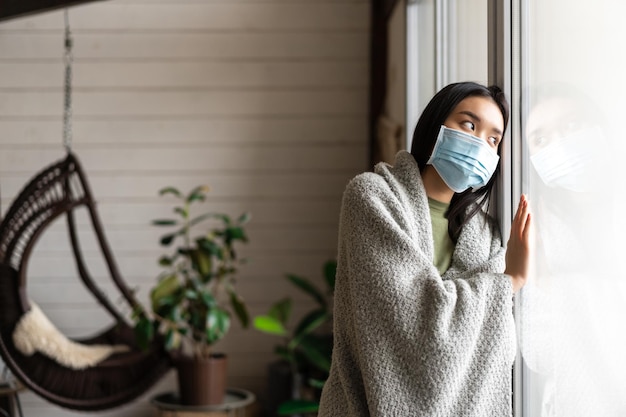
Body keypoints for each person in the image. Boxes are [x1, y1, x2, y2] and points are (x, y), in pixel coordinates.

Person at [317, 81, 532, 416]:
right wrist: (509, 282)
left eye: (493, 138)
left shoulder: (488, 236)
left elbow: (499, 348)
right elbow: (412, 321)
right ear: (436, 125)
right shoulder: (373, 197)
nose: (479, 144)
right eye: (469, 124)